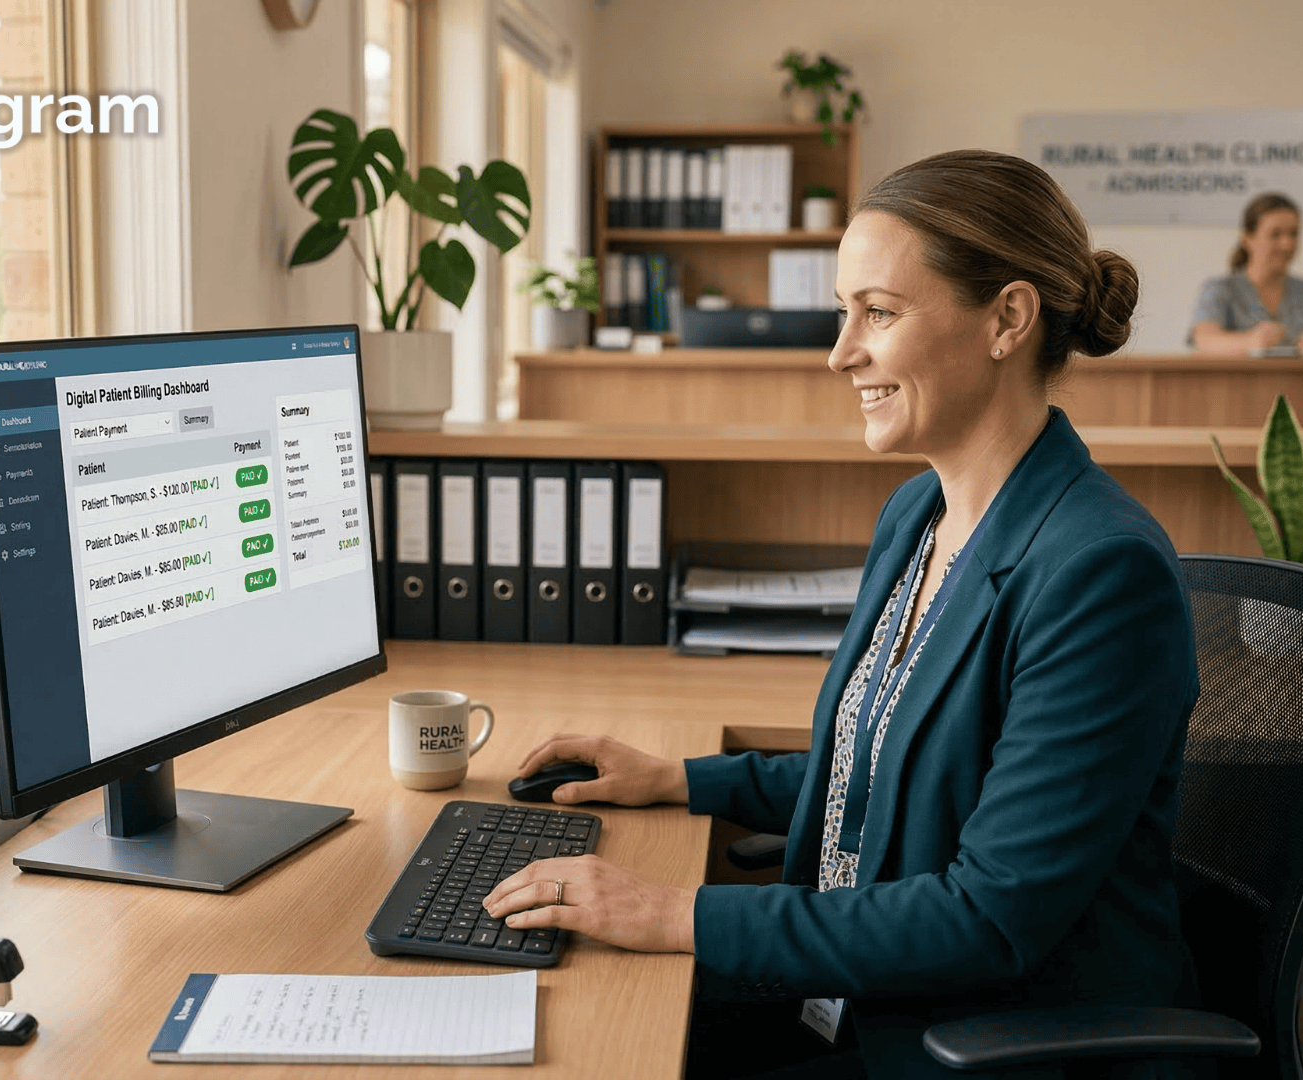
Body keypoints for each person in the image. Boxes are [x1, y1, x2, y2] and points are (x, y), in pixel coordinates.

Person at [483, 149, 1200, 1080]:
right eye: (842, 310)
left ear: (1008, 319)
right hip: (852, 997)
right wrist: (683, 780)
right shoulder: (920, 514)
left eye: (881, 312)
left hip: (977, 1041)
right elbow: (893, 763)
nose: (840, 351)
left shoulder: (1100, 572)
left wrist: (671, 913)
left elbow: (988, 920)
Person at [1188, 191, 1303, 355]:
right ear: (1247, 238)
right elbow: (1204, 340)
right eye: (1275, 234)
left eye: (1293, 234)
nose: (1287, 244)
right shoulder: (1220, 290)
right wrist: (1250, 341)